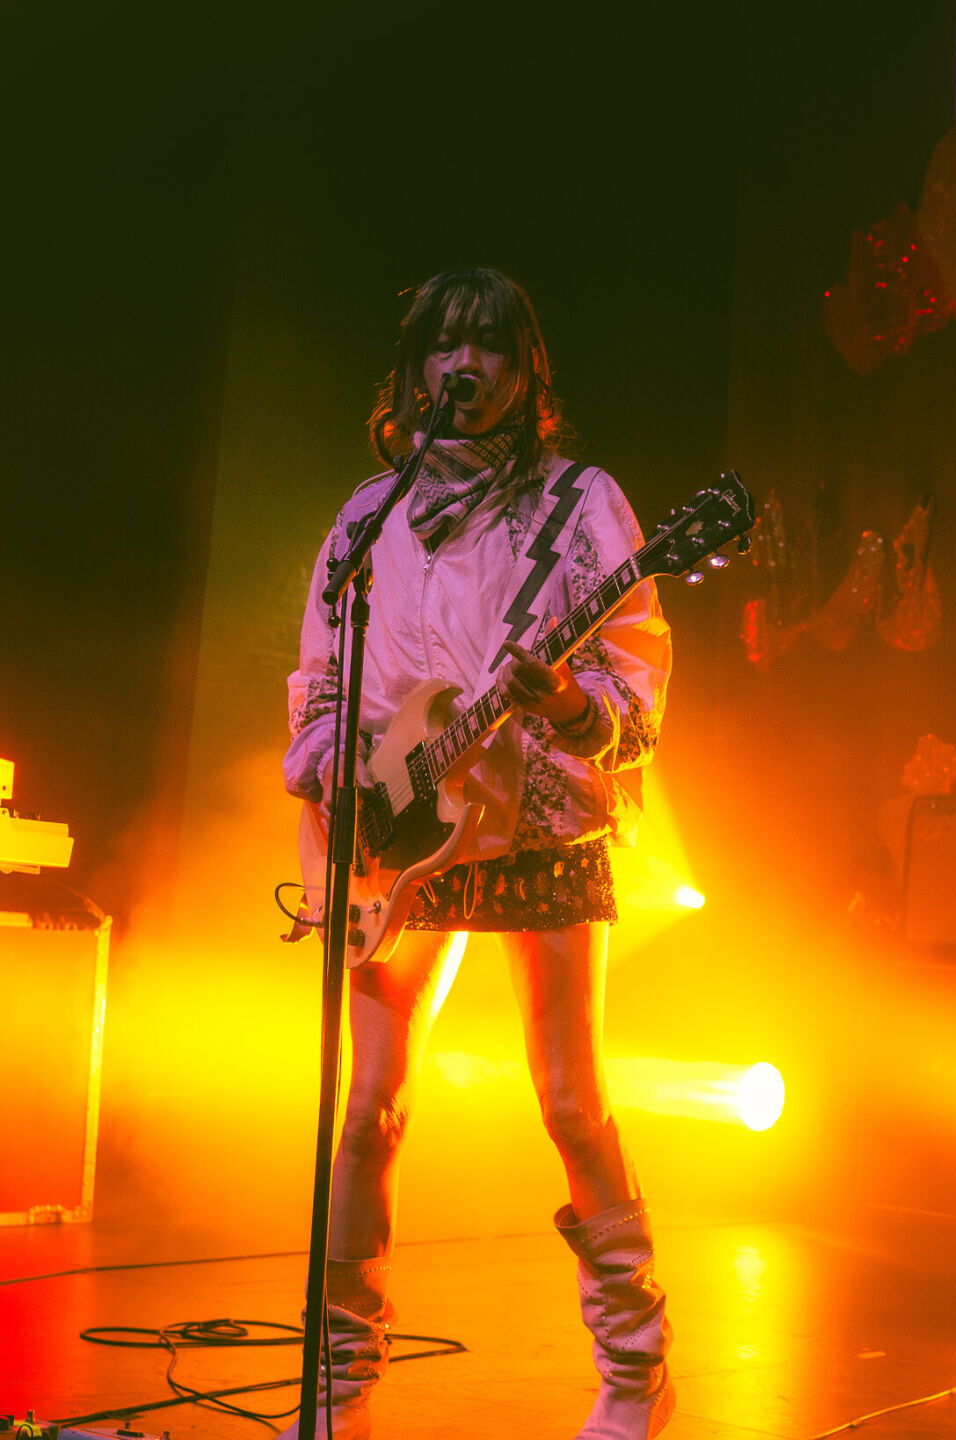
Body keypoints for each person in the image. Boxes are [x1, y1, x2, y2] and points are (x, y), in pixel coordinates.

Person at [281, 266, 674, 1440]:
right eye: (444, 346)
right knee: (368, 1111)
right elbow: (320, 680)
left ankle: (636, 1371)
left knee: (571, 1103)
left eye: (491, 344)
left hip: (540, 823)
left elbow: (634, 678)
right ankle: (339, 1388)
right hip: (401, 835)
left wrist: (566, 704)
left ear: (529, 369)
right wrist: (338, 785)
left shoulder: (582, 506)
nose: (466, 365)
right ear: (412, 372)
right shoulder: (368, 516)